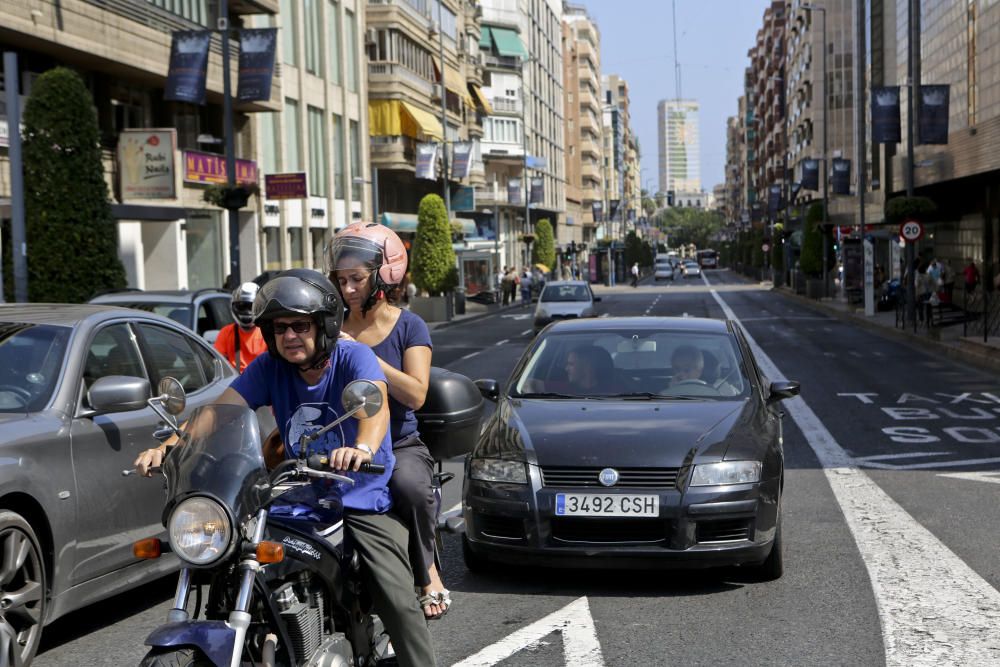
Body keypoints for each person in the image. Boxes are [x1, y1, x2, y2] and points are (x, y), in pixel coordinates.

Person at [134, 270, 436, 667]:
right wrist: (173, 445)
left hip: (357, 492)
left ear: (324, 326)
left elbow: (374, 404)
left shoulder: (354, 356)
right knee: (231, 553)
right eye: (280, 328)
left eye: (300, 325)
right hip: (295, 493)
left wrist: (361, 446)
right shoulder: (269, 367)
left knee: (395, 596)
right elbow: (220, 411)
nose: (290, 336)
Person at [326, 222, 448, 621]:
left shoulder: (410, 326)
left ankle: (426, 568)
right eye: (340, 280)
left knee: (409, 487)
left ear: (385, 276)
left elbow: (416, 393)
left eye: (356, 279)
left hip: (397, 444)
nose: (347, 290)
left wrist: (364, 357)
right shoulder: (329, 324)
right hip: (338, 444)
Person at [213, 282, 268, 373]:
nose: (246, 311)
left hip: (262, 381)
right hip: (235, 382)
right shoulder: (226, 332)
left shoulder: (267, 332)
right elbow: (216, 363)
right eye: (242, 306)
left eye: (251, 307)